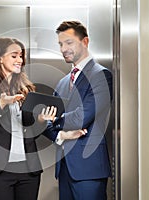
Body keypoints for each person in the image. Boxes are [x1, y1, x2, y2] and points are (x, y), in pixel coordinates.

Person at [41, 20, 113, 200]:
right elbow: (46, 125)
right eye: (60, 44)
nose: (63, 48)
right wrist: (58, 132)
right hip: (64, 168)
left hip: (89, 169)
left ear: (85, 42)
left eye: (69, 42)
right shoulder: (63, 82)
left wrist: (52, 120)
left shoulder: (101, 75)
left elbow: (82, 117)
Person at [0, 37, 45, 200]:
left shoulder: (27, 88)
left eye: (21, 55)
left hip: (28, 169)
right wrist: (1, 104)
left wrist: (40, 120)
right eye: (14, 56)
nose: (19, 60)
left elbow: (31, 131)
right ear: (0, 58)